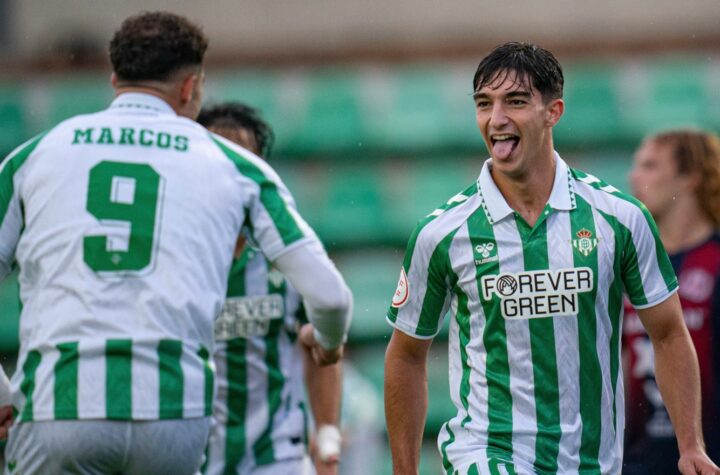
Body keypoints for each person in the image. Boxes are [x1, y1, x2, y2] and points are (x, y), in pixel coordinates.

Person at [0, 11, 352, 475]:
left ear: (114, 79)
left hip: (57, 406)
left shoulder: (34, 155)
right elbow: (330, 296)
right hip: (172, 416)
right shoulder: (231, 164)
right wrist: (328, 343)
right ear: (190, 88)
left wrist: (3, 395)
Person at [383, 41, 719, 475]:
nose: (496, 119)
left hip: (593, 461)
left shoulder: (620, 219)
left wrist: (690, 445)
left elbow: (670, 334)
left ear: (553, 111)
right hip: (487, 454)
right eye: (484, 104)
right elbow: (406, 354)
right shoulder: (442, 233)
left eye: (515, 102)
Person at [196, 103, 343, 475]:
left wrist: (326, 435)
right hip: (190, 457)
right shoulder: (176, 254)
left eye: (244, 163)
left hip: (277, 457)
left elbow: (322, 348)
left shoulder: (288, 256)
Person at [623, 130, 720, 473]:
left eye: (649, 166)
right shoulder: (627, 264)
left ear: (691, 177)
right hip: (636, 461)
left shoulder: (715, 262)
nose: (634, 176)